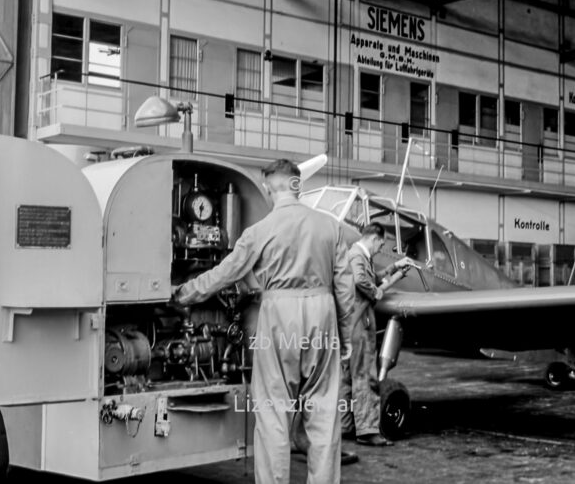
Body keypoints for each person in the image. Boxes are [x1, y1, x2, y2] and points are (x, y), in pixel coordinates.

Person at [175, 159, 354, 484]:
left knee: (273, 412)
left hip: (278, 315)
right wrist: (345, 334)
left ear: (271, 189)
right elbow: (345, 287)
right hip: (322, 312)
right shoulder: (331, 227)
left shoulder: (259, 231)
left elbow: (223, 274)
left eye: (269, 190)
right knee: (325, 416)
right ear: (297, 185)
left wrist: (184, 293)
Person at [341, 222, 412, 446]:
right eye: (380, 245)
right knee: (365, 378)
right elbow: (362, 281)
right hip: (359, 326)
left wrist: (393, 270)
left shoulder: (359, 255)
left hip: (351, 325)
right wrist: (378, 291)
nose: (379, 249)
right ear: (374, 238)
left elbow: (371, 276)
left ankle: (345, 426)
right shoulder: (357, 256)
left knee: (347, 380)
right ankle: (367, 431)